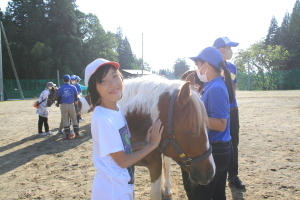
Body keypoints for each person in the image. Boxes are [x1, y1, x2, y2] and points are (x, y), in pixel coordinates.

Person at [85, 58, 164, 200]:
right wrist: (152, 145)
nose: (113, 84)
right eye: (103, 81)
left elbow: (123, 147)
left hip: (122, 184)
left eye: (115, 76)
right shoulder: (103, 119)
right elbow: (123, 161)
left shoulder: (117, 109)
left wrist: (145, 143)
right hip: (112, 190)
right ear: (94, 89)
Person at [183, 47, 234, 199]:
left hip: (217, 149)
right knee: (218, 194)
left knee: (201, 195)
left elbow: (220, 124)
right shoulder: (212, 85)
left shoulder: (215, 89)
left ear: (206, 65)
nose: (197, 69)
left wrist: (195, 115)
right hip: (220, 149)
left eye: (198, 65)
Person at [213, 37, 245, 189]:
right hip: (218, 112)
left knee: (234, 144)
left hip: (232, 110)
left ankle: (233, 176)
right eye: (228, 47)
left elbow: (234, 87)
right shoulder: (211, 67)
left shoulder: (232, 67)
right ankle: (217, 174)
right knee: (219, 143)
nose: (231, 50)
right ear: (220, 50)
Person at [56, 74, 82, 140]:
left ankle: (68, 135)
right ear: (69, 80)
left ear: (63, 80)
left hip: (64, 105)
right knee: (74, 119)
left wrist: (58, 103)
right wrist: (76, 106)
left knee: (65, 120)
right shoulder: (73, 87)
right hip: (71, 105)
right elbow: (76, 98)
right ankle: (77, 134)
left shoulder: (60, 88)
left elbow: (59, 98)